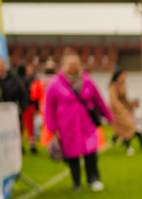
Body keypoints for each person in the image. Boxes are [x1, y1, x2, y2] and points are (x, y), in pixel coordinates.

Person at [43, 50, 113, 191]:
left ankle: (93, 178)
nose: (73, 67)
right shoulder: (55, 83)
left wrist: (109, 116)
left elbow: (98, 100)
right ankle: (76, 181)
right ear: (63, 65)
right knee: (72, 154)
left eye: (75, 64)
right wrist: (52, 128)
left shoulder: (87, 80)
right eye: (70, 64)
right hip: (67, 126)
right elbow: (49, 108)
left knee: (91, 152)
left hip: (86, 124)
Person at [0, 57, 31, 150]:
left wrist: (20, 109)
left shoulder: (15, 79)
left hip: (12, 114)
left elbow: (24, 94)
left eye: (1, 65)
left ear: (5, 66)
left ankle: (17, 148)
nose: (0, 68)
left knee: (12, 134)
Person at [108, 67, 142, 154]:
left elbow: (124, 98)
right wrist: (122, 110)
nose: (125, 76)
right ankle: (126, 145)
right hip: (117, 110)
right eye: (124, 74)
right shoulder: (113, 86)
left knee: (128, 126)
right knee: (129, 125)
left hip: (124, 109)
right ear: (119, 75)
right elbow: (114, 101)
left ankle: (117, 140)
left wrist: (131, 104)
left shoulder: (123, 85)